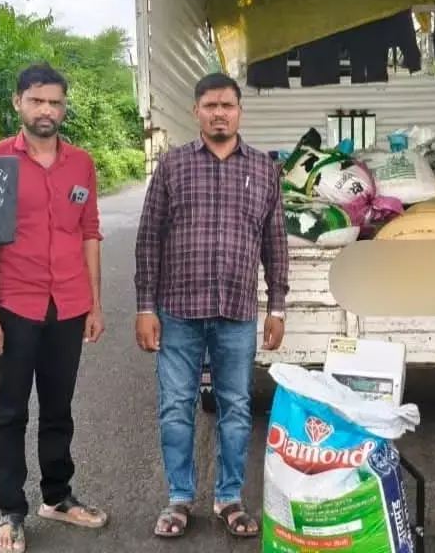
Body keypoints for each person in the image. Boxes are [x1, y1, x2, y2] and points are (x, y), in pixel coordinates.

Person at [134, 72, 289, 540]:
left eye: (227, 105)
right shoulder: (173, 166)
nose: (219, 113)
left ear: (240, 111)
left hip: (237, 311)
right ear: (196, 111)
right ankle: (179, 498)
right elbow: (149, 239)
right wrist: (145, 307)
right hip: (179, 309)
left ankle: (229, 497)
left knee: (236, 408)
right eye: (210, 106)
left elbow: (275, 243)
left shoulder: (264, 169)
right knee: (175, 407)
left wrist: (278, 306)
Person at [0, 64, 108, 553]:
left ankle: (57, 496)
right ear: (18, 103)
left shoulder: (81, 164)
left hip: (68, 305)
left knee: (58, 408)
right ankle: (11, 510)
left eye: (54, 102)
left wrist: (94, 304)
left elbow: (89, 233)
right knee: (10, 411)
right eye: (37, 100)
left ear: (63, 107)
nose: (46, 110)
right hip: (15, 306)